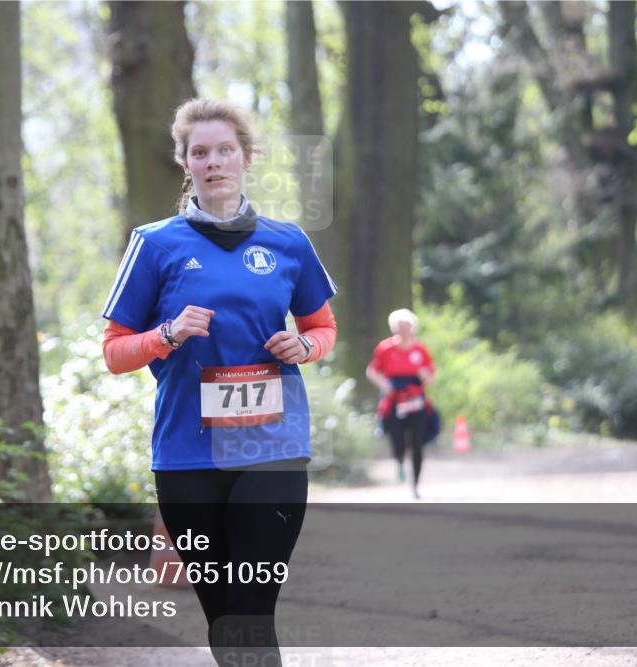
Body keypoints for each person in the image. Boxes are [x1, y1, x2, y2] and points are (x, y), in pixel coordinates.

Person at [100, 98, 338, 665]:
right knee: (224, 616)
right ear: (184, 162)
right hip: (188, 454)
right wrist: (167, 334)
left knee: (251, 609)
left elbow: (323, 328)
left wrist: (304, 346)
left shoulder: (288, 242)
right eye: (200, 152)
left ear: (247, 156)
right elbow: (113, 352)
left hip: (273, 447)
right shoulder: (154, 243)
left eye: (225, 150)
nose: (214, 162)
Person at [366, 308, 436, 498]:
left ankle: (415, 485)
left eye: (407, 325)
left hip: (416, 399)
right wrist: (384, 384)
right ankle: (399, 460)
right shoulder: (385, 348)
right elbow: (372, 371)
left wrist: (425, 375)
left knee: (417, 443)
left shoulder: (420, 349)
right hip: (394, 398)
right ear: (394, 328)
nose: (404, 329)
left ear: (413, 327)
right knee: (397, 439)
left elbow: (431, 375)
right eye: (400, 326)